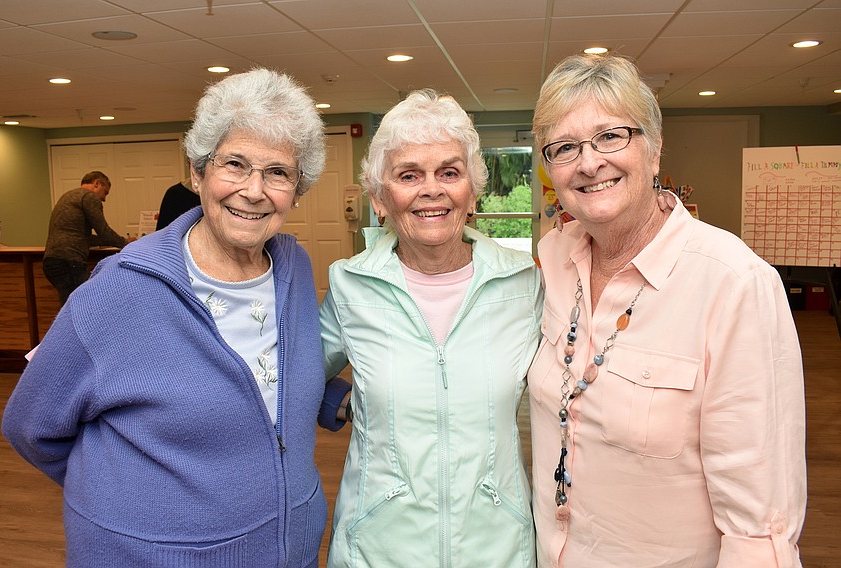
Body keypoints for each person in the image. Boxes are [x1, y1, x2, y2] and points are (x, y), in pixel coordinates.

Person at [3, 68, 350, 567]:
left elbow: (261, 372)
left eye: (278, 172)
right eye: (235, 164)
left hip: (288, 549)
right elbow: (31, 426)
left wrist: (338, 395)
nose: (254, 190)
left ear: (297, 189)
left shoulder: (291, 267)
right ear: (198, 173)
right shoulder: (119, 290)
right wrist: (127, 498)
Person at [528, 53, 806, 567]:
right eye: (564, 147)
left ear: (654, 150)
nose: (588, 163)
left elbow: (758, 526)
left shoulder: (735, 285)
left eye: (611, 136)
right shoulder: (555, 258)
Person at [320, 89, 544, 567]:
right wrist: (342, 400)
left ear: (472, 189)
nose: (432, 190)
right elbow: (287, 380)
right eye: (409, 175)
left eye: (449, 172)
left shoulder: (524, 284)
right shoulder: (349, 284)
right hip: (377, 548)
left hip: (498, 548)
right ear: (380, 198)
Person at [42, 171, 129, 305]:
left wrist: (111, 241)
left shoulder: (68, 196)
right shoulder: (89, 197)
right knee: (88, 302)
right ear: (97, 184)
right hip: (70, 260)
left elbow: (82, 237)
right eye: (105, 193)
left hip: (52, 260)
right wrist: (127, 244)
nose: (104, 199)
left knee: (69, 304)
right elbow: (104, 232)